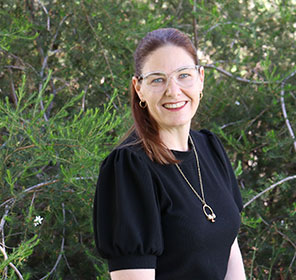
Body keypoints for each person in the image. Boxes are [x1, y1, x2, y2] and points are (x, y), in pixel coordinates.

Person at [93, 28, 246, 280]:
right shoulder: (129, 167)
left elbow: (230, 250)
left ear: (201, 79)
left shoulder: (209, 149)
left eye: (183, 75)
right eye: (157, 79)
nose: (173, 91)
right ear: (138, 88)